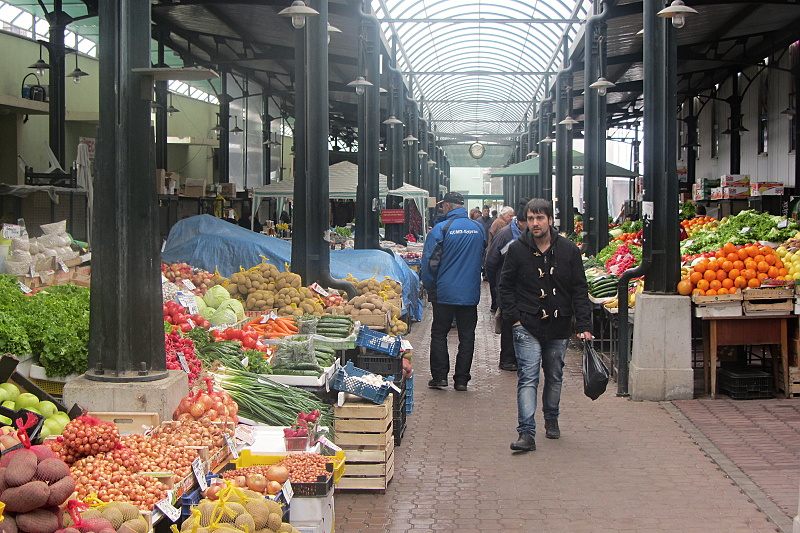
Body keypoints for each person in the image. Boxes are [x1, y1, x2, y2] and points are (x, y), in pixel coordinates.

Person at [498, 198, 593, 452]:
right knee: (528, 377)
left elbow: (579, 289)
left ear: (550, 220)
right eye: (530, 218)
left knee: (554, 375)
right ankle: (526, 432)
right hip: (527, 323)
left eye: (540, 218)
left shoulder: (569, 250)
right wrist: (515, 318)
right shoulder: (517, 249)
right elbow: (504, 286)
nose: (535, 223)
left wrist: (583, 323)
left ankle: (551, 417)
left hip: (559, 324)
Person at [421, 191, 486, 392]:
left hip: (445, 292)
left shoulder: (442, 229)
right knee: (467, 336)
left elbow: (429, 262)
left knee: (439, 333)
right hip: (469, 292)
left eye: (443, 206)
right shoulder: (479, 228)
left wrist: (431, 286)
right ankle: (462, 380)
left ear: (448, 206)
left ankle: (440, 377)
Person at [484, 199, 528, 371]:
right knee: (509, 321)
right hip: (507, 286)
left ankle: (520, 357)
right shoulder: (505, 234)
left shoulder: (531, 236)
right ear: (520, 221)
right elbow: (491, 260)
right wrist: (495, 286)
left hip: (524, 288)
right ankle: (508, 359)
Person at [484, 205, 515, 312]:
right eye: (510, 216)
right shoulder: (501, 225)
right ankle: (495, 305)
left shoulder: (499, 222)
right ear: (504, 215)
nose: (512, 218)